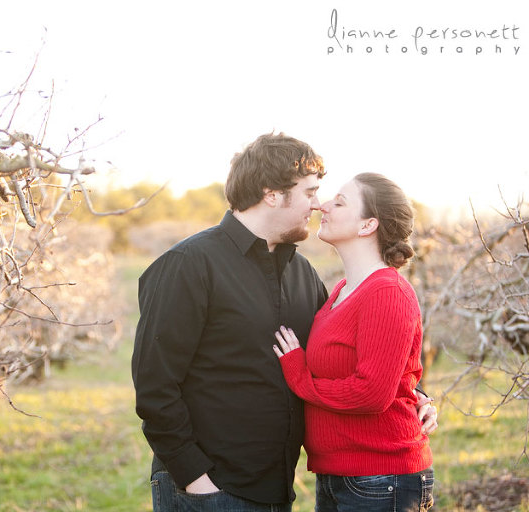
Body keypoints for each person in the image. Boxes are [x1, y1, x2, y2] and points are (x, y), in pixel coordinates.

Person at [132, 133, 437, 511]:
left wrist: (417, 394)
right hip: (210, 487)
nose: (318, 205)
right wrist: (196, 480)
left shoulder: (302, 274)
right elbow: (154, 385)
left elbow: (350, 353)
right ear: (272, 194)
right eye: (310, 193)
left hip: (275, 487)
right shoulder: (189, 265)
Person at [274, 172, 435, 511]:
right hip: (341, 475)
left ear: (367, 226)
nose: (322, 205)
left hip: (381, 478)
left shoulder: (386, 292)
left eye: (339, 202)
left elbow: (372, 393)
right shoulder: (340, 292)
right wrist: (418, 395)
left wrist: (300, 378)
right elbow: (392, 372)